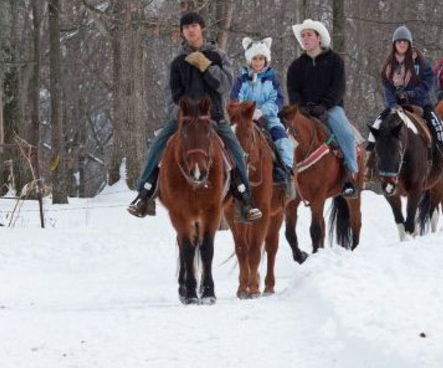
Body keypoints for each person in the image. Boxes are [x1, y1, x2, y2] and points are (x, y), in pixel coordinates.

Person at [127, 12, 263, 222]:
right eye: (186, 27)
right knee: (157, 145)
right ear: (182, 32)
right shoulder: (177, 62)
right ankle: (144, 195)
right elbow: (170, 95)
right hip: (184, 120)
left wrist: (207, 66)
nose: (191, 30)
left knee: (235, 150)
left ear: (202, 29)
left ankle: (245, 200)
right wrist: (183, 115)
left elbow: (225, 86)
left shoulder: (218, 56)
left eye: (194, 26)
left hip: (215, 118)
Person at [364, 25, 443, 180]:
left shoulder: (419, 61)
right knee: (378, 125)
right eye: (399, 42)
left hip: (420, 103)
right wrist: (392, 103)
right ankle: (368, 163)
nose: (402, 44)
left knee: (437, 125)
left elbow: (429, 81)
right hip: (397, 105)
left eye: (405, 42)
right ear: (394, 44)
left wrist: (413, 93)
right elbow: (387, 87)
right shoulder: (389, 66)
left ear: (409, 44)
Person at [286, 19, 359, 199]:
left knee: (347, 134)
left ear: (319, 38)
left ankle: (350, 175)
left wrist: (324, 105)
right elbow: (293, 90)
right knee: (285, 135)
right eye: (303, 36)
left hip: (330, 109)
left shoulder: (335, 61)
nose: (305, 39)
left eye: (309, 35)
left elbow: (339, 88)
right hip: (303, 111)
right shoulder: (295, 66)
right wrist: (301, 107)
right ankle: (285, 176)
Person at [230, 36, 295, 199]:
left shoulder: (272, 79)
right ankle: (230, 172)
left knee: (282, 140)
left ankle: (285, 172)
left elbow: (278, 100)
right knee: (231, 139)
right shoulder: (241, 80)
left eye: (261, 59)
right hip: (245, 119)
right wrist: (246, 110)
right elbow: (235, 100)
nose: (258, 62)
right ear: (249, 60)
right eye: (255, 59)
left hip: (268, 117)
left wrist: (263, 111)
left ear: (266, 60)